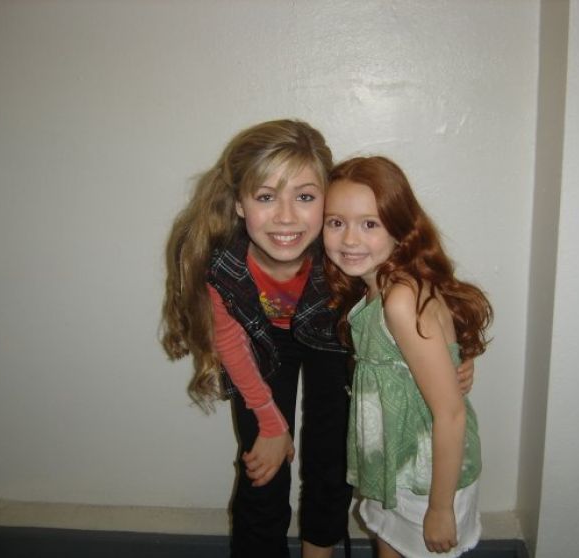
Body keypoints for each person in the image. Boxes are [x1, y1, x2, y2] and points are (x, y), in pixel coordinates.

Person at [160, 120, 475, 558]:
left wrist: (456, 353)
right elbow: (230, 342)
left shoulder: (345, 248)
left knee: (332, 456)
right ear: (237, 204)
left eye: (305, 197)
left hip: (332, 338)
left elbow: (423, 282)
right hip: (260, 345)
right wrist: (270, 423)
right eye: (266, 197)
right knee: (262, 464)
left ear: (326, 198)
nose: (287, 217)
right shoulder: (221, 263)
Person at [323, 156, 492, 558]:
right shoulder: (374, 287)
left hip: (427, 479)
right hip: (393, 467)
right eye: (336, 222)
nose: (349, 239)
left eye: (370, 224)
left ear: (400, 228)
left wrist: (440, 508)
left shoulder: (400, 299)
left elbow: (450, 414)